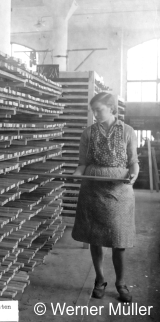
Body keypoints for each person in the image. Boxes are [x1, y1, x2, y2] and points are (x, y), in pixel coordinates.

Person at [71, 92, 139, 303]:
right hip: (93, 190)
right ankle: (99, 280)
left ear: (111, 108)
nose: (95, 115)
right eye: (93, 111)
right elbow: (82, 163)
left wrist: (135, 173)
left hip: (119, 192)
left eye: (98, 110)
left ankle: (121, 282)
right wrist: (77, 174)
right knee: (95, 238)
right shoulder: (88, 134)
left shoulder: (128, 131)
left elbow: (133, 161)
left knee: (119, 241)